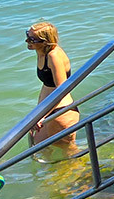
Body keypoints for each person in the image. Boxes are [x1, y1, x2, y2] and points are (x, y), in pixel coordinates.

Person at [26, 22, 79, 157]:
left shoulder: (53, 56)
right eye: (27, 35)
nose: (27, 41)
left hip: (60, 111)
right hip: (47, 109)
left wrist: (42, 116)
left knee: (69, 152)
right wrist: (38, 111)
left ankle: (86, 169)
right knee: (40, 148)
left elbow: (61, 90)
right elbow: (48, 85)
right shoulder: (41, 51)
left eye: (32, 39)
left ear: (45, 42)